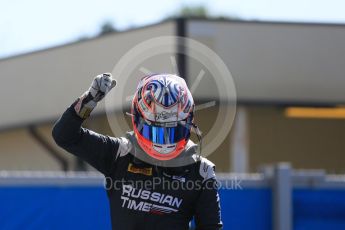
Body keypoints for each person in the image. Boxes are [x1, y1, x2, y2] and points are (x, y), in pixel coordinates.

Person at [52, 73, 223, 230]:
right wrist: (89, 99)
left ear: (189, 123)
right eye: (155, 132)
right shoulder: (121, 153)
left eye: (173, 131)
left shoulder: (201, 171)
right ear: (138, 120)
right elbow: (64, 135)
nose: (163, 142)